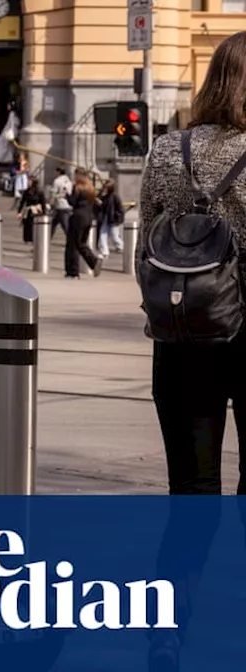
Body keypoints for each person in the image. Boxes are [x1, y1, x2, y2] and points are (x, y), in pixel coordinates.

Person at [136, 33, 246, 672]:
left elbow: (145, 252)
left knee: (191, 495)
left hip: (184, 344)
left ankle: (167, 633)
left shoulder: (167, 151)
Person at [64, 173, 101, 278]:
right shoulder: (90, 189)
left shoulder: (78, 188)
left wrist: (67, 195)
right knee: (81, 243)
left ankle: (72, 271)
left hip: (77, 217)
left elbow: (72, 202)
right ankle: (93, 261)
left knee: (72, 244)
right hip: (88, 218)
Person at [95, 178, 124, 259]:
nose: (104, 189)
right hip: (106, 218)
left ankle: (120, 245)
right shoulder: (104, 196)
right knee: (102, 235)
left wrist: (118, 217)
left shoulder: (114, 196)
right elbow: (103, 206)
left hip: (113, 219)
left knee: (114, 235)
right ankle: (104, 251)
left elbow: (120, 209)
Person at [16, 176, 46, 244]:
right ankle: (27, 238)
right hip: (28, 210)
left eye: (29, 181)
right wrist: (19, 211)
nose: (28, 182)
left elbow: (43, 202)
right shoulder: (26, 191)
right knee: (27, 224)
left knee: (34, 225)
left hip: (36, 210)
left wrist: (44, 212)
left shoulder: (39, 191)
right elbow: (22, 202)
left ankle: (33, 238)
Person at [50, 166, 73, 239]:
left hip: (60, 206)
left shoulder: (57, 181)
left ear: (58, 172)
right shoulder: (69, 181)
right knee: (52, 224)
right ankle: (47, 239)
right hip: (68, 206)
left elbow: (53, 194)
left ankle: (73, 242)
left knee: (65, 227)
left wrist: (51, 202)